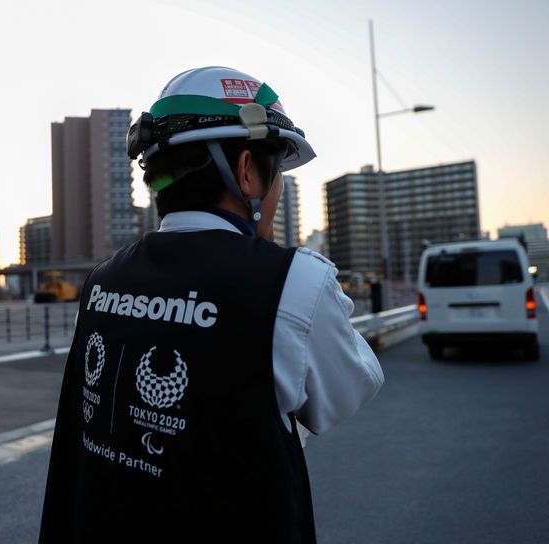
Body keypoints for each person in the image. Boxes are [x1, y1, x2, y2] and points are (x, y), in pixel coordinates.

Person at [40, 66, 384, 543]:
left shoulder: (103, 281)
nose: (278, 187)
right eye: (276, 170)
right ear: (246, 171)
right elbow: (348, 390)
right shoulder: (293, 280)